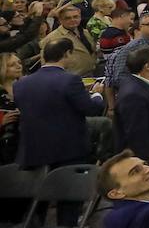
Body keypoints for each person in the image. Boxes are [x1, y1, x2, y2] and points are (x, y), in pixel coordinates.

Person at [14, 38, 106, 181]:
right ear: (67, 53)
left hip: (34, 150)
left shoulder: (21, 83)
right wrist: (97, 94)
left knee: (38, 199)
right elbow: (90, 109)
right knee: (71, 197)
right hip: (68, 150)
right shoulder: (70, 80)